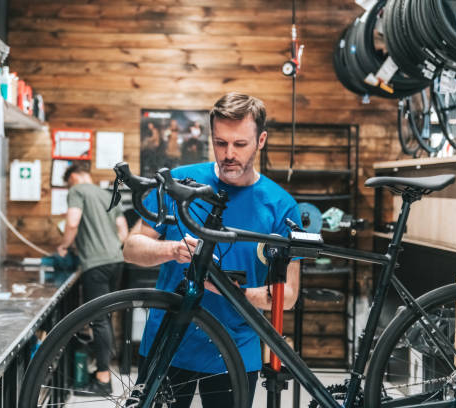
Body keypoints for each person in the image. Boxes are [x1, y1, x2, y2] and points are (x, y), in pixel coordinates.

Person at [123, 92, 301, 407]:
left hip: (233, 351)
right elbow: (132, 248)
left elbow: (287, 296)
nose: (228, 153)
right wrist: (172, 249)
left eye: (240, 144)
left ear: (261, 140)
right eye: (220, 143)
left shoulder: (280, 206)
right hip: (167, 343)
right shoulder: (181, 183)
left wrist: (229, 291)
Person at [57, 163, 128, 395]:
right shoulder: (107, 194)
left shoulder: (77, 191)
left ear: (75, 177)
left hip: (95, 265)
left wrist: (64, 245)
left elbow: (73, 222)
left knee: (98, 321)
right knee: (105, 319)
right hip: (116, 261)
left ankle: (103, 381)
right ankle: (101, 373)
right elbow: (123, 231)